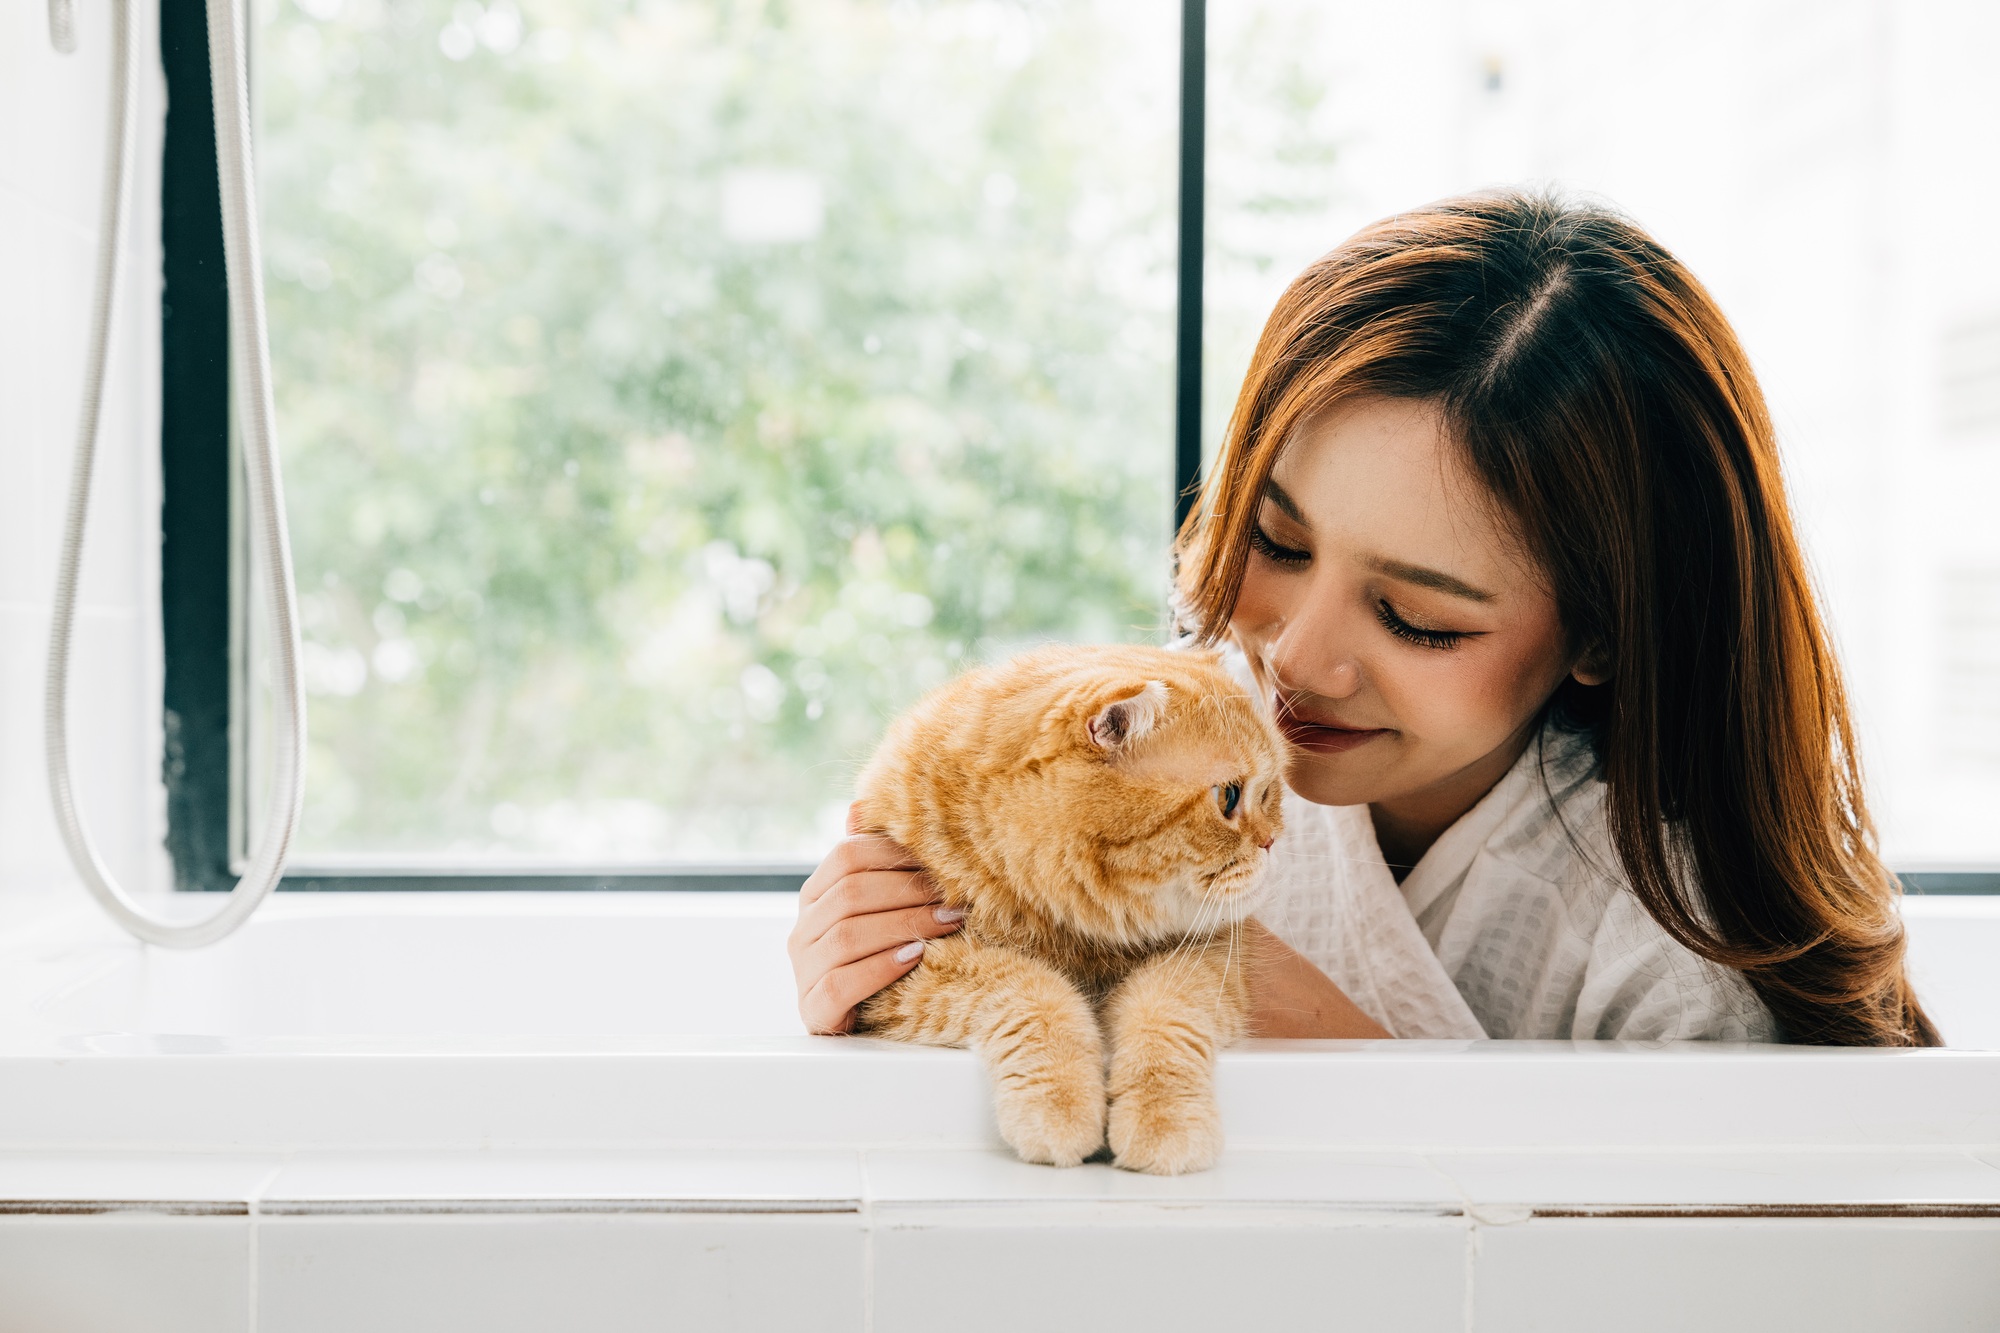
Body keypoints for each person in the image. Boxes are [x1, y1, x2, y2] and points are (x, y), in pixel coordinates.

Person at [788, 190, 1938, 1048]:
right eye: (1277, 544)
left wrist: (1337, 1048)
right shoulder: (1160, 762)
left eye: (1417, 616)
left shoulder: (1678, 962)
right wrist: (882, 980)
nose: (1296, 656)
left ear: (1600, 633)